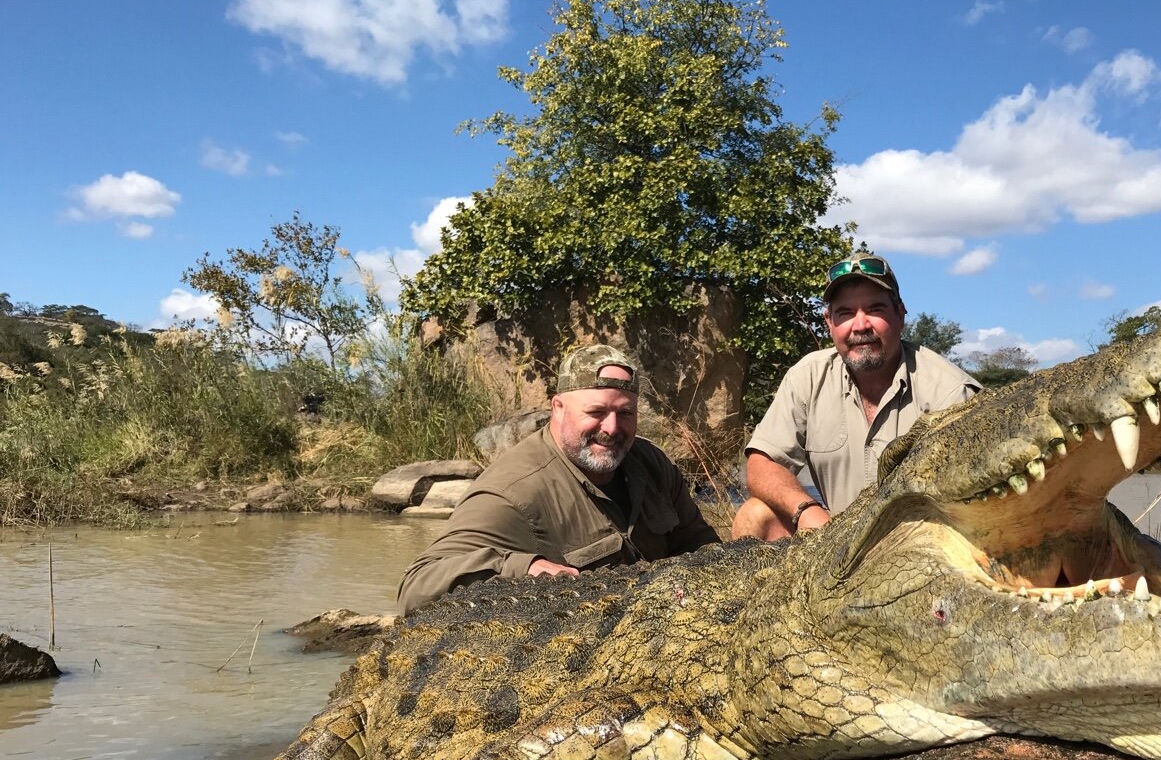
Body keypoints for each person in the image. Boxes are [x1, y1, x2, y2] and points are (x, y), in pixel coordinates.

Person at [398, 344, 721, 613]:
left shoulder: (652, 463)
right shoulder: (512, 492)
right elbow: (416, 587)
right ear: (558, 408)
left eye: (626, 413)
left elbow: (700, 546)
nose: (611, 428)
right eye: (595, 412)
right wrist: (523, 567)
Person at [732, 250, 979, 540]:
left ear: (900, 315)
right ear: (830, 323)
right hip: (833, 538)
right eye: (845, 313)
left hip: (922, 543)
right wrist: (808, 512)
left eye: (875, 310)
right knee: (755, 515)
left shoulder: (949, 391)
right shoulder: (808, 376)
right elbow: (762, 465)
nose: (860, 326)